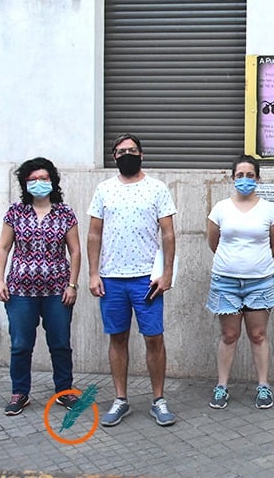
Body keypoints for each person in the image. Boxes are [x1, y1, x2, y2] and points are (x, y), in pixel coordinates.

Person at [87, 133, 178, 427]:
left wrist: (167, 274)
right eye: (122, 150)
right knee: (118, 337)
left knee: (154, 338)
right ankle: (120, 399)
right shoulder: (104, 189)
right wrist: (92, 273)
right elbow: (94, 233)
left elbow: (168, 234)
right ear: (114, 156)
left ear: (141, 155)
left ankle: (159, 399)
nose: (127, 154)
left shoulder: (157, 189)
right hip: (112, 279)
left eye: (133, 150)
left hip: (147, 280)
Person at [0, 158, 81, 416]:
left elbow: (75, 251)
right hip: (20, 292)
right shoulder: (15, 212)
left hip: (57, 291)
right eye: (33, 179)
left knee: (60, 344)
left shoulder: (65, 213)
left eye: (43, 178)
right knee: (21, 344)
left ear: (52, 180)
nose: (39, 183)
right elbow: (3, 248)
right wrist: (0, 281)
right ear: (25, 183)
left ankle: (64, 391)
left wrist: (72, 284)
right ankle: (20, 393)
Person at [207, 155, 274, 410]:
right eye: (240, 175)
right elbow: (213, 242)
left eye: (250, 175)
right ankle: (221, 387)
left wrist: (254, 263)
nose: (245, 180)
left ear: (258, 178)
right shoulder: (220, 209)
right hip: (225, 281)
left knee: (258, 335)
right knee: (229, 335)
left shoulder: (270, 210)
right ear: (232, 178)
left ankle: (263, 386)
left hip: (259, 281)